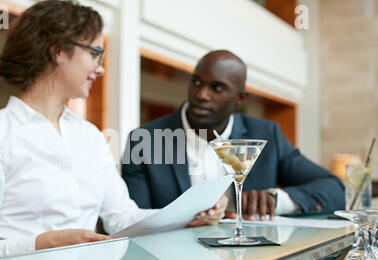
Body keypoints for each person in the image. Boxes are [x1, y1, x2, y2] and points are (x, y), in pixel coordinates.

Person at [0, 0, 226, 260]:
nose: (101, 68)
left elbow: (121, 217)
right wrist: (41, 243)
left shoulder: (89, 136)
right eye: (94, 53)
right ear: (57, 50)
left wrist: (189, 216)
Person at [122, 50, 345, 221]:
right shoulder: (144, 141)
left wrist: (273, 201)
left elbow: (334, 189)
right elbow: (135, 221)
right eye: (197, 83)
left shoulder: (266, 135)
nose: (201, 95)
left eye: (217, 88)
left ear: (240, 98)